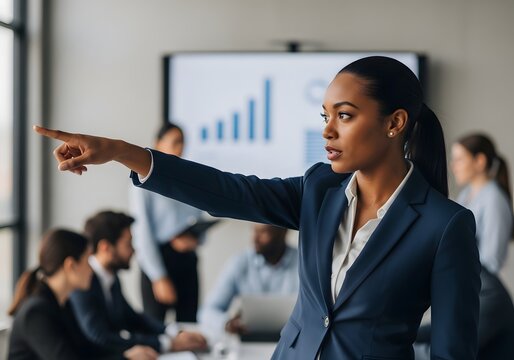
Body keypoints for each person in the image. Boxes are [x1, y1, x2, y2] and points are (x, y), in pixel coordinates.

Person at [35, 56, 481, 360]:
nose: (328, 131)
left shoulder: (446, 226)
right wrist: (120, 151)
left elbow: (452, 352)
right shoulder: (320, 189)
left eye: (344, 115)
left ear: (394, 123)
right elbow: (227, 190)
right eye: (324, 116)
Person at [68, 210, 208, 356]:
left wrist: (174, 332)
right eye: (128, 244)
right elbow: (100, 337)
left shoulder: (111, 278)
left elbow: (132, 318)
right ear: (106, 247)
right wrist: (166, 343)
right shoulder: (83, 283)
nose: (134, 250)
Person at [8, 228, 158, 360]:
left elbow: (87, 349)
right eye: (87, 261)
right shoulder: (36, 312)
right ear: (70, 265)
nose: (91, 269)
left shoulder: (62, 303)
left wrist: (129, 354)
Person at [129, 122, 204, 323]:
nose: (180, 147)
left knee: (189, 327)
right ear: (158, 144)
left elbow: (199, 217)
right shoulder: (144, 179)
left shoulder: (189, 177)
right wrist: (158, 276)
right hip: (159, 259)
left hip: (187, 260)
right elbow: (141, 231)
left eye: (183, 142)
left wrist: (196, 239)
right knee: (154, 328)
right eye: (175, 142)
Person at [199, 223, 298, 335]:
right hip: (247, 343)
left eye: (263, 232)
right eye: (254, 231)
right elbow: (207, 311)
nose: (255, 238)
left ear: (283, 232)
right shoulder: (240, 262)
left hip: (291, 340)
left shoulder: (304, 265)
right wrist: (227, 323)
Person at [414, 266, 514, 360]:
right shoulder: (467, 285)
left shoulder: (490, 297)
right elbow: (443, 329)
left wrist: (403, 346)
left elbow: (447, 354)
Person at [450, 133, 513, 274]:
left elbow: (492, 261)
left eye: (459, 160)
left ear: (479, 161)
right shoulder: (466, 194)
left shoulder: (494, 199)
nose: (453, 166)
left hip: (482, 290)